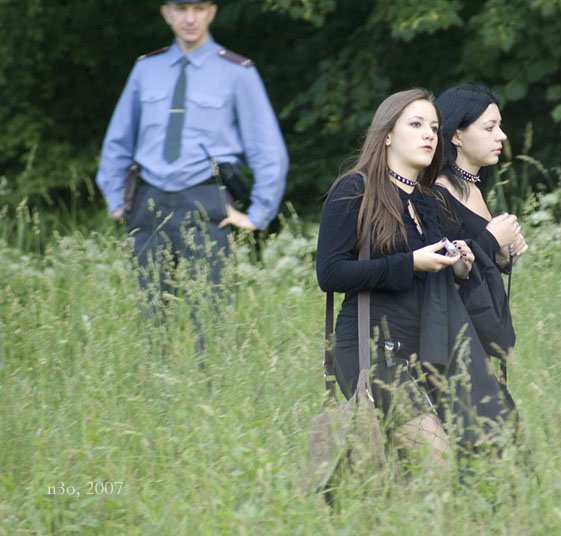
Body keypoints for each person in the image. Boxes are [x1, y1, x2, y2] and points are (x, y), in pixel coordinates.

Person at [316, 89, 512, 458]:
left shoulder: (426, 201)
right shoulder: (355, 189)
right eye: (417, 124)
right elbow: (330, 273)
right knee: (437, 457)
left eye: (434, 128)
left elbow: (431, 283)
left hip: (423, 349)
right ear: (388, 134)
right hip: (368, 348)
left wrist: (458, 268)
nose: (428, 135)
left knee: (448, 462)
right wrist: (410, 263)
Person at [95, 0, 289, 352]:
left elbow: (268, 148)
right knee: (151, 315)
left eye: (198, 8)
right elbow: (117, 141)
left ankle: (211, 384)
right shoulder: (145, 70)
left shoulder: (237, 72)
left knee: (212, 315)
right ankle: (156, 381)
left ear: (211, 12)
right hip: (148, 200)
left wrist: (259, 213)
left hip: (206, 200)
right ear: (166, 13)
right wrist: (114, 198)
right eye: (181, 8)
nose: (189, 18)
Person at [434, 84, 528, 415]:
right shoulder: (437, 194)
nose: (501, 136)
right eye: (489, 128)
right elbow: (442, 272)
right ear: (457, 136)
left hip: (479, 337)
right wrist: (490, 239)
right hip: (454, 345)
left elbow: (476, 258)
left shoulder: (473, 187)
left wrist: (502, 256)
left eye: (499, 126)